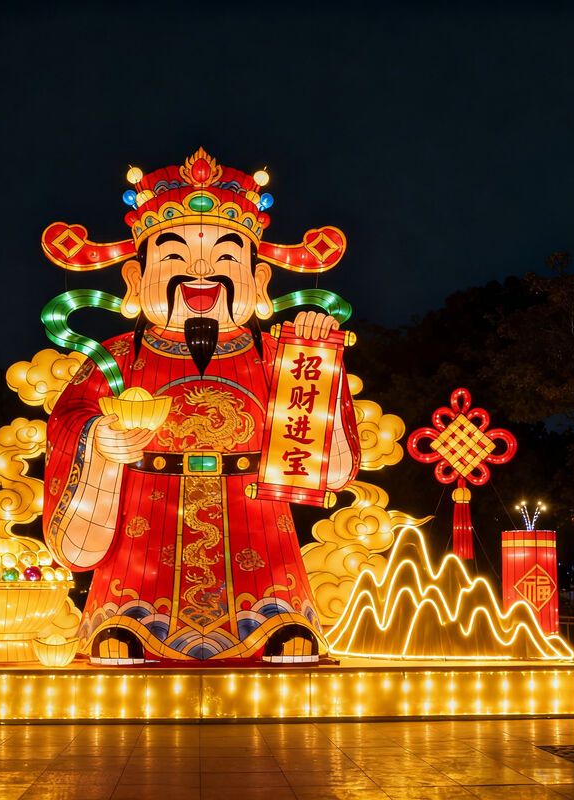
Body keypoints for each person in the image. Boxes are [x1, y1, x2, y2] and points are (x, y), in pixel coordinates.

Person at [43, 150, 360, 663]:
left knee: (274, 605)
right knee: (131, 610)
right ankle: (126, 616)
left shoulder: (275, 355)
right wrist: (98, 438)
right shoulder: (117, 356)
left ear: (259, 283)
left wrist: (319, 359)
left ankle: (277, 616)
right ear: (134, 281)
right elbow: (68, 419)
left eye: (226, 259)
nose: (200, 272)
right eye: (173, 258)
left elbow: (327, 464)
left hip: (254, 516)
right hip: (147, 514)